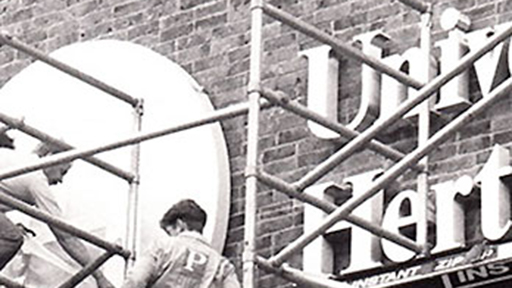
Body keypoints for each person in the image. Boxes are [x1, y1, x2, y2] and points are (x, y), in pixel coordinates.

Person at [0, 139, 114, 288]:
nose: (60, 180)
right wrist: (99, 277)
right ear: (50, 156)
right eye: (62, 172)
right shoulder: (36, 179)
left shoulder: (18, 160)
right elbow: (66, 236)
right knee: (12, 237)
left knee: (8, 233)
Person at [122, 199, 240, 288]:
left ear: (180, 225)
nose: (171, 237)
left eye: (170, 232)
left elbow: (136, 280)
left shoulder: (162, 247)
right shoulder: (222, 265)